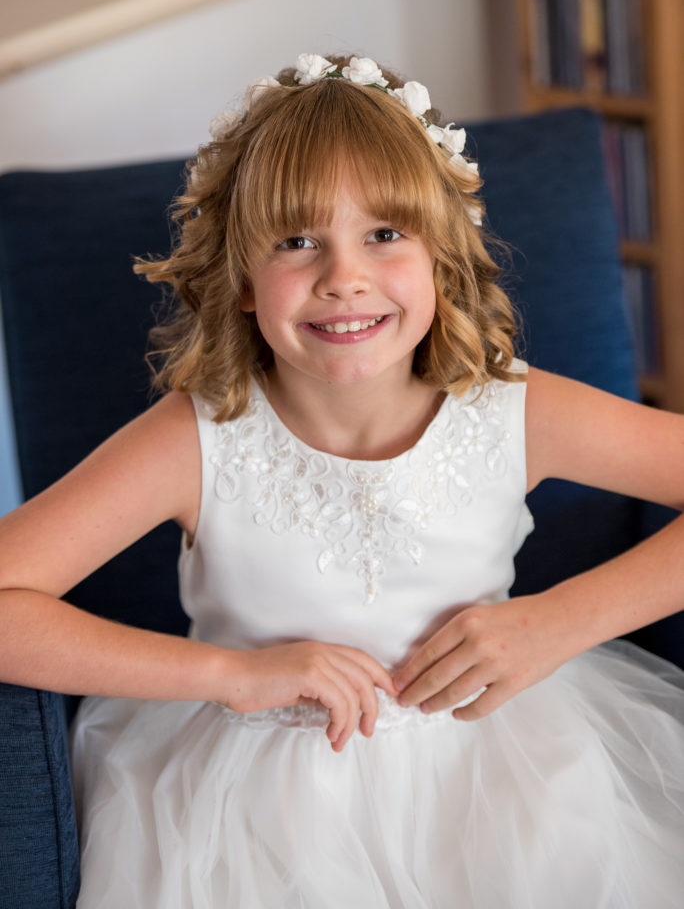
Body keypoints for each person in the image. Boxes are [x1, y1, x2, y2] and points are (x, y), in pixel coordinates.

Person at [0, 52, 683, 908]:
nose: (344, 277)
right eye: (296, 241)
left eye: (385, 235)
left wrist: (561, 621)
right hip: (245, 819)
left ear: (442, 255)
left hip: (502, 781)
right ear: (243, 279)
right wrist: (226, 677)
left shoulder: (512, 410)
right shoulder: (197, 437)